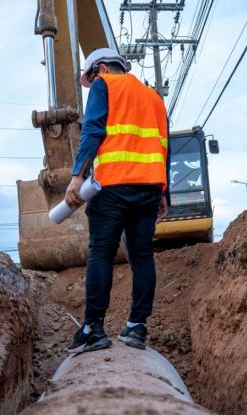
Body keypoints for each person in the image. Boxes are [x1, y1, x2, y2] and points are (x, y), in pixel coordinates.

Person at [65, 48, 170, 353]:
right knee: (142, 256)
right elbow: (164, 145)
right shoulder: (153, 97)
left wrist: (77, 175)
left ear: (100, 68)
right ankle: (137, 328)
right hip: (149, 188)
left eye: (92, 75)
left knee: (101, 253)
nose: (93, 80)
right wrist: (164, 193)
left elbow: (93, 131)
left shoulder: (104, 85)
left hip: (112, 185)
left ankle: (93, 328)